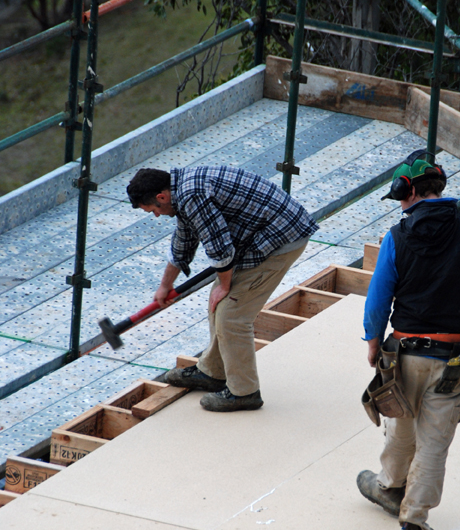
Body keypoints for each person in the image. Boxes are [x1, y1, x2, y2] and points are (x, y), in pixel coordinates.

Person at [357, 149, 460, 530]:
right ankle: (412, 525)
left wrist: (373, 340)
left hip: (404, 354)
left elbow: (378, 299)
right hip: (455, 359)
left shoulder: (397, 236)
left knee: (401, 424)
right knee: (432, 443)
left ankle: (391, 487)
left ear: (406, 191)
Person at [127, 165, 318, 412]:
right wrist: (165, 285)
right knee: (219, 303)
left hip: (280, 238)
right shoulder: (183, 190)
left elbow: (219, 246)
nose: (155, 214)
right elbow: (184, 240)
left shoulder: (192, 195)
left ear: (162, 197)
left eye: (153, 209)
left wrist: (225, 284)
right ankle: (212, 372)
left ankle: (244, 392)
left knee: (231, 316)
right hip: (258, 233)